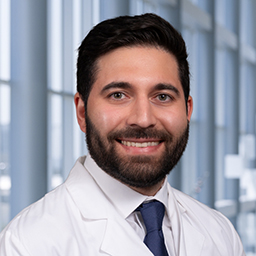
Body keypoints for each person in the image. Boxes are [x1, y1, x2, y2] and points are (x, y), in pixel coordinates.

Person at [0, 13, 245, 256]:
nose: (143, 119)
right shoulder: (25, 244)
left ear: (187, 110)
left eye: (162, 97)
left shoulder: (220, 233)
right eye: (118, 95)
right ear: (82, 112)